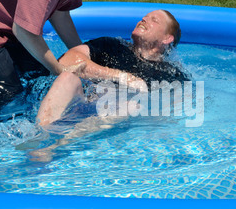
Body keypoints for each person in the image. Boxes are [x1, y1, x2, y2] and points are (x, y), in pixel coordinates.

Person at [36, 9, 190, 126]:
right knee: (67, 77)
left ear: (167, 38)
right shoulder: (112, 45)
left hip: (110, 118)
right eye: (144, 17)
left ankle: (58, 143)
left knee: (130, 106)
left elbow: (173, 113)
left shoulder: (172, 74)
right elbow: (67, 60)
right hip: (79, 100)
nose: (144, 19)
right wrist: (120, 76)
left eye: (154, 20)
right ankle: (42, 134)